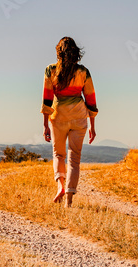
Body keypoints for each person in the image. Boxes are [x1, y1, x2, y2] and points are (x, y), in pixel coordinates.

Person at [41, 36, 97, 207]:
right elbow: (91, 100)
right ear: (75, 52)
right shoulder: (83, 72)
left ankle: (60, 186)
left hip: (58, 116)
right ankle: (69, 200)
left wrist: (45, 125)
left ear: (59, 52)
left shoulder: (50, 70)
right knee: (74, 158)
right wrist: (93, 126)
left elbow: (47, 100)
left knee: (59, 154)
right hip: (79, 117)